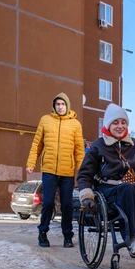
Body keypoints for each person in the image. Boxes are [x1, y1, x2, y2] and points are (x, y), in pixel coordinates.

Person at [77, 103, 135, 255]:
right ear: (108, 125)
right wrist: (86, 196)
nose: (120, 126)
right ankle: (134, 239)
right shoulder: (98, 146)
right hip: (108, 190)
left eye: (123, 122)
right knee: (127, 188)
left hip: (132, 189)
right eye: (115, 123)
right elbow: (84, 174)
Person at [26, 92, 85, 248]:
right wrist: (31, 163)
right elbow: (37, 144)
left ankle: (67, 236)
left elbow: (79, 150)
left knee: (67, 205)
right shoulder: (45, 120)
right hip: (49, 169)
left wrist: (82, 172)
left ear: (67, 106)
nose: (60, 107)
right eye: (58, 104)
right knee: (48, 203)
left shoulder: (75, 124)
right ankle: (43, 233)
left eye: (63, 104)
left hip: (67, 171)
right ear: (54, 106)